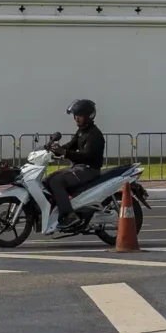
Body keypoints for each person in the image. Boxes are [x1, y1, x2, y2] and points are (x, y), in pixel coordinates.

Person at [45, 98, 107, 233]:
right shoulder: (81, 132)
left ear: (89, 116)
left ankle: (69, 216)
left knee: (57, 182)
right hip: (78, 168)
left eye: (80, 116)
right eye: (75, 116)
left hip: (89, 170)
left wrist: (65, 152)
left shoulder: (94, 134)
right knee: (47, 179)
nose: (76, 119)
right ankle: (55, 212)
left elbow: (86, 155)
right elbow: (70, 145)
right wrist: (56, 148)